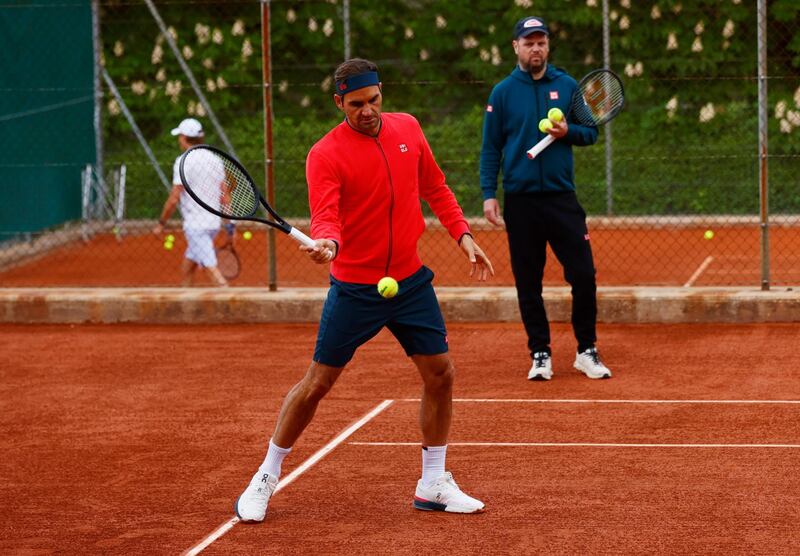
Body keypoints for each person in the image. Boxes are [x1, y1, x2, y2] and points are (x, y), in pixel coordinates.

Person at [234, 58, 494, 522]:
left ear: (381, 93)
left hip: (411, 282)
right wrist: (328, 243)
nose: (367, 110)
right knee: (318, 384)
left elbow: (434, 185)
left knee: (441, 374)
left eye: (373, 100)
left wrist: (463, 234)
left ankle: (433, 482)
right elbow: (326, 213)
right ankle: (266, 475)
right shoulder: (325, 154)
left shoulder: (408, 129)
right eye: (356, 104)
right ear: (339, 103)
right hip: (355, 287)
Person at [480, 16, 612, 381]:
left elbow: (590, 134)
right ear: (516, 47)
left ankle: (586, 350)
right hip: (520, 202)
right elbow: (490, 148)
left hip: (561, 199)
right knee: (528, 281)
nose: (535, 48)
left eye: (541, 42)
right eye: (529, 42)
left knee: (584, 275)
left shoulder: (568, 86)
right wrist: (489, 194)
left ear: (548, 46)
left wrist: (568, 130)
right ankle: (540, 353)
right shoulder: (502, 93)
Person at [153, 118, 229, 287]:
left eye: (180, 136)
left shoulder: (183, 161)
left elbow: (174, 197)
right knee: (189, 265)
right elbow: (224, 196)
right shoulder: (215, 159)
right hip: (213, 225)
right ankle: (186, 300)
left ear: (184, 137)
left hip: (195, 227)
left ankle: (229, 302)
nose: (179, 139)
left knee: (212, 270)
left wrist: (161, 223)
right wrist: (229, 224)